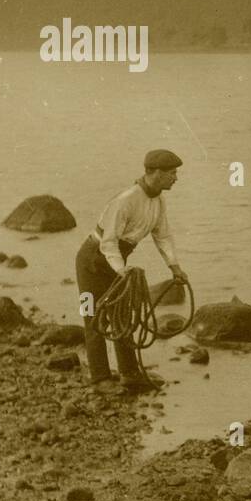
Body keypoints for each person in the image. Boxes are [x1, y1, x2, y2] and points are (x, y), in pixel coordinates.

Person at [75, 149, 188, 392]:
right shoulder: (125, 200)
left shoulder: (158, 200)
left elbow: (163, 235)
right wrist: (122, 271)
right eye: (172, 173)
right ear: (156, 173)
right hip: (92, 260)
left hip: (117, 261)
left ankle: (129, 373)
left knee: (122, 318)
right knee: (94, 317)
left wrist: (174, 266)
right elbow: (108, 242)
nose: (175, 178)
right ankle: (100, 379)